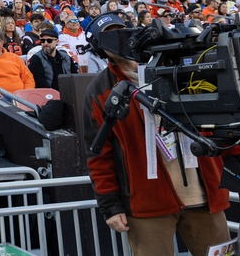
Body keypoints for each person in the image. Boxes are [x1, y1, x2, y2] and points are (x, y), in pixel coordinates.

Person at [82, 18, 230, 256]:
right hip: (147, 204)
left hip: (205, 196)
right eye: (111, 36)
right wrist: (110, 206)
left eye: (123, 31)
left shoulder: (180, 65)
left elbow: (223, 120)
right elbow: (99, 154)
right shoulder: (100, 91)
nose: (120, 39)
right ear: (100, 46)